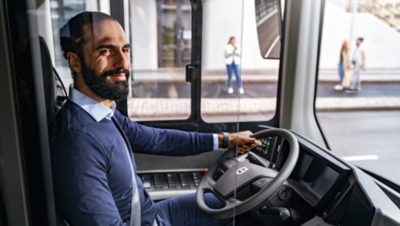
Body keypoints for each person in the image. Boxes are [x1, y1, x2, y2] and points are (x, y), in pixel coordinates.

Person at [50, 11, 259, 226]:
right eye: (105, 50)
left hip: (155, 216)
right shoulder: (77, 142)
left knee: (231, 206)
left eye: (125, 50)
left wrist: (226, 139)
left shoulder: (104, 114)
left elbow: (158, 139)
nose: (122, 62)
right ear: (75, 62)